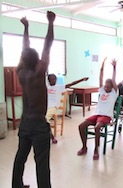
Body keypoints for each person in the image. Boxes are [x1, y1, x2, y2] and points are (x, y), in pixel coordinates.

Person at [12, 11, 55, 188]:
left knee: (20, 158)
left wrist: (26, 27)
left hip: (24, 123)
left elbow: (25, 48)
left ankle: (17, 185)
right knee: (42, 164)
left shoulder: (20, 72)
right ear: (37, 60)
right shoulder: (39, 73)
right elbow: (47, 45)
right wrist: (50, 23)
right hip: (38, 125)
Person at [77, 57, 118, 160]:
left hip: (106, 116)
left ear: (112, 87)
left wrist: (114, 68)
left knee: (97, 127)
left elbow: (113, 80)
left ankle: (96, 150)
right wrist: (102, 67)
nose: (106, 88)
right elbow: (101, 78)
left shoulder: (114, 93)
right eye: (105, 86)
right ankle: (84, 147)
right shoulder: (102, 91)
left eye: (108, 87)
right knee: (81, 126)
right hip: (97, 115)